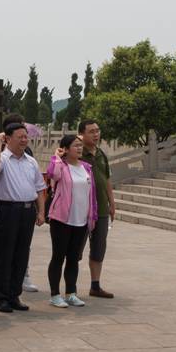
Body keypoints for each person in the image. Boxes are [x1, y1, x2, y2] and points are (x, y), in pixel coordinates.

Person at [0, 120, 46, 313]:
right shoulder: (2, 158)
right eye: (20, 137)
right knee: (4, 255)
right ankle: (1, 298)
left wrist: (41, 211)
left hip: (27, 211)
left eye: (25, 137)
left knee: (21, 254)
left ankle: (14, 295)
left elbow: (40, 188)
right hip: (7, 211)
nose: (24, 140)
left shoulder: (31, 161)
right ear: (8, 138)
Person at [43, 134, 96, 308]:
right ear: (65, 149)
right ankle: (55, 295)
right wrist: (56, 157)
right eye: (75, 145)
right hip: (62, 219)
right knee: (58, 256)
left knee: (73, 258)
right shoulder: (61, 166)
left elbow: (92, 193)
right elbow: (52, 174)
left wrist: (92, 215)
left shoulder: (86, 167)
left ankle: (71, 293)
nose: (80, 148)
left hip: (81, 220)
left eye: (80, 145)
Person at [79, 119, 117, 299]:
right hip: (80, 209)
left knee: (99, 247)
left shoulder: (101, 154)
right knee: (74, 249)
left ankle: (95, 285)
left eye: (97, 130)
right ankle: (69, 288)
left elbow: (107, 179)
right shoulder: (76, 153)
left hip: (101, 208)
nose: (96, 134)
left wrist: (112, 202)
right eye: (91, 131)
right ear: (82, 134)